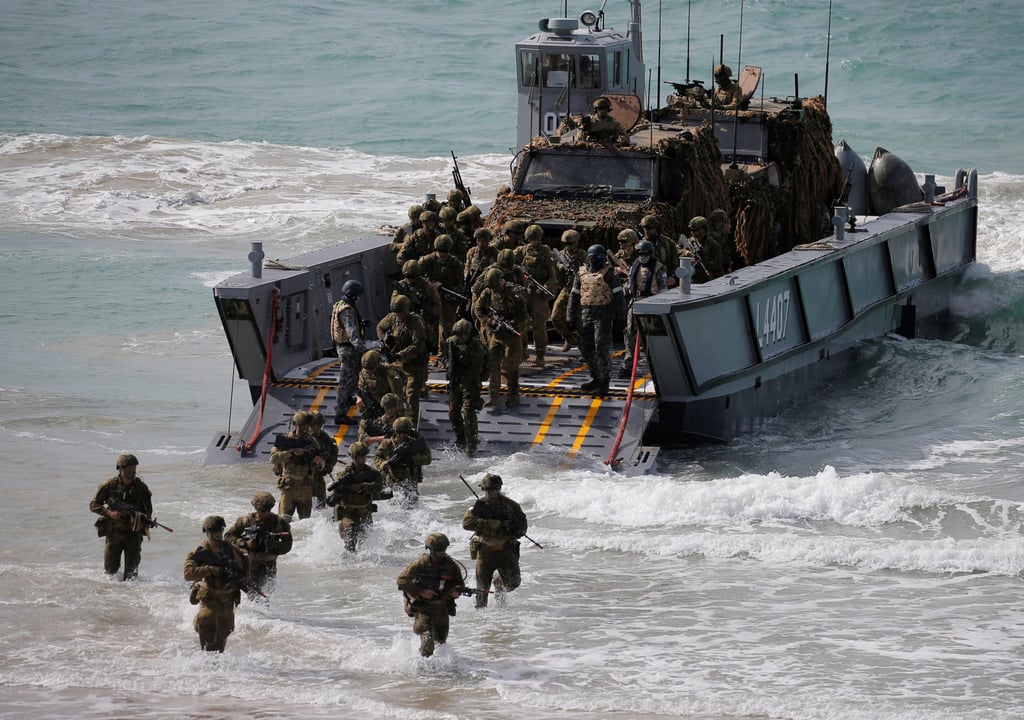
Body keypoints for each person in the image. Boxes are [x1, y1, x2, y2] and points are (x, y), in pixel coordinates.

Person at [183, 515, 250, 653]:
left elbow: (244, 569)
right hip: (209, 597)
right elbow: (188, 573)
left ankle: (218, 670)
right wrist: (211, 570)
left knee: (223, 635)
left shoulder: (232, 551)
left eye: (220, 530)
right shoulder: (201, 552)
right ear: (206, 531)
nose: (218, 534)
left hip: (227, 598)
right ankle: (205, 664)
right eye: (214, 531)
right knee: (206, 625)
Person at [461, 473, 528, 608]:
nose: (490, 493)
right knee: (482, 592)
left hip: (506, 550)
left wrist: (510, 527)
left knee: (513, 583)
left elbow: (522, 527)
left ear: (499, 488)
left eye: (493, 489)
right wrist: (488, 523)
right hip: (485, 551)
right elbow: (466, 523)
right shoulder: (479, 506)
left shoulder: (511, 506)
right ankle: (483, 623)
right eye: (487, 490)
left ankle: (498, 582)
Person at [567, 244, 626, 395]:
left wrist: (621, 316)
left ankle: (604, 381)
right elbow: (574, 296)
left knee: (601, 346)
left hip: (603, 313)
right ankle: (595, 377)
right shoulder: (581, 274)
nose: (599, 260)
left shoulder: (609, 274)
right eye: (596, 258)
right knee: (587, 348)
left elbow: (619, 296)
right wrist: (570, 315)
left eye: (602, 257)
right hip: (586, 312)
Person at [396, 533, 467, 657]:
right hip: (422, 607)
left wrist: (457, 592)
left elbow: (459, 583)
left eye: (442, 550)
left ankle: (437, 673)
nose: (440, 554)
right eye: (437, 551)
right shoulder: (420, 564)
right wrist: (421, 591)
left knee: (441, 643)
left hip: (442, 607)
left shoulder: (451, 565)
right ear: (430, 549)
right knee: (428, 641)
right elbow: (401, 580)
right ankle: (422, 672)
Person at [89, 453, 153, 581]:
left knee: (132, 576)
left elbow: (148, 509)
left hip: (133, 534)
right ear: (120, 469)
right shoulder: (110, 485)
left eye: (134, 468)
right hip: (114, 533)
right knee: (110, 572)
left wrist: (142, 520)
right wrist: (109, 514)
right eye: (128, 468)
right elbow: (93, 505)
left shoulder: (141, 487)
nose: (132, 471)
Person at [473, 268, 528, 408]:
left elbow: (524, 315)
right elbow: (478, 309)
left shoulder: (514, 293)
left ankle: (514, 393)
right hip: (496, 334)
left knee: (511, 365)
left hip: (512, 335)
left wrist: (515, 324)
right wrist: (489, 321)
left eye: (496, 286)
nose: (494, 289)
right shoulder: (488, 292)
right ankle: (493, 395)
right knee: (493, 364)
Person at [224, 491, 292, 593]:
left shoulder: (278, 522)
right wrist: (244, 543)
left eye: (267, 510)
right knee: (254, 595)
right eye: (262, 511)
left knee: (268, 595)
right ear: (256, 508)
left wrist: (274, 546)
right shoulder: (246, 521)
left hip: (270, 565)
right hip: (251, 564)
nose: (265, 513)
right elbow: (228, 536)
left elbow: (288, 544)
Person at [376, 294, 429, 422]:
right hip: (397, 364)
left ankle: (410, 423)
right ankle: (397, 419)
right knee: (395, 393)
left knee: (411, 396)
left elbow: (418, 344)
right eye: (396, 312)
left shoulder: (416, 322)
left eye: (400, 312)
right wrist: (384, 340)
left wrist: (401, 354)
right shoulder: (392, 318)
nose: (398, 315)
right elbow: (380, 327)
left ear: (406, 309)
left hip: (414, 365)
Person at [325, 442, 386, 552]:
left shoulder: (372, 473)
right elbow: (336, 491)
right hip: (348, 511)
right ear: (354, 457)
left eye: (364, 456)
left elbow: (379, 486)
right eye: (360, 457)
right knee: (350, 539)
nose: (363, 459)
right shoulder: (344, 474)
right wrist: (343, 490)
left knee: (364, 542)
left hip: (364, 511)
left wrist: (362, 487)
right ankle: (348, 563)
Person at [620, 239, 667, 378]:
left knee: (651, 338)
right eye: (640, 253)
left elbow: (663, 289)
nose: (643, 256)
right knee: (629, 335)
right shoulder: (634, 267)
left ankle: (655, 368)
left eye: (646, 253)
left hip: (651, 306)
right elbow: (629, 284)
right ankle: (627, 365)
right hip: (635, 304)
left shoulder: (659, 269)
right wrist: (627, 290)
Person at [514, 224, 559, 369]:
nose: (533, 242)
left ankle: (540, 356)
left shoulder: (546, 252)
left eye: (535, 239)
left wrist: (545, 287)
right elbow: (509, 258)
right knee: (521, 323)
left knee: (539, 325)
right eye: (531, 239)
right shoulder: (523, 250)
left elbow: (553, 276)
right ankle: (524, 351)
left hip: (538, 294)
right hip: (525, 292)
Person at [419, 234, 466, 363]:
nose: (442, 254)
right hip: (428, 298)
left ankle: (443, 355)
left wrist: (451, 292)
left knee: (445, 328)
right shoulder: (426, 261)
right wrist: (431, 286)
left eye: (445, 251)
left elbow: (460, 284)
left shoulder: (455, 264)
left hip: (446, 299)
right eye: (440, 251)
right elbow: (417, 278)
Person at [270, 410, 324, 520]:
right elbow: (273, 458)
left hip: (305, 488)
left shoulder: (312, 442)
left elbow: (322, 464)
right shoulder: (286, 439)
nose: (305, 429)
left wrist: (319, 461)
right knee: (284, 521)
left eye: (307, 426)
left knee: (305, 523)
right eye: (302, 426)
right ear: (296, 425)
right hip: (289, 487)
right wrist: (289, 453)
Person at [445, 318, 486, 455]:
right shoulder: (451, 342)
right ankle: (460, 437)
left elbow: (477, 369)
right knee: (453, 412)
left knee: (468, 412)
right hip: (456, 380)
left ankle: (472, 443)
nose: (460, 338)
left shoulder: (476, 347)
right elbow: (446, 358)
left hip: (470, 381)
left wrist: (464, 381)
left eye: (462, 335)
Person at [331, 279, 367, 424]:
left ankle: (348, 399)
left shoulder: (338, 305)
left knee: (352, 379)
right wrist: (365, 351)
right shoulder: (347, 311)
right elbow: (352, 335)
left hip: (344, 348)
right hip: (348, 350)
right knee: (346, 382)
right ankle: (340, 414)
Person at [374, 416, 431, 505]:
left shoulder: (414, 443)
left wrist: (412, 459)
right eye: (399, 433)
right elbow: (377, 457)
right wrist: (384, 464)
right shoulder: (388, 443)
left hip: (411, 482)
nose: (402, 435)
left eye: (405, 433)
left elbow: (428, 458)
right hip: (393, 482)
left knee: (412, 509)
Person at [551, 229, 586, 351]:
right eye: (566, 243)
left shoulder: (582, 255)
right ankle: (568, 337)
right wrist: (559, 267)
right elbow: (554, 273)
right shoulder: (560, 255)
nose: (568, 246)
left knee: (580, 320)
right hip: (566, 289)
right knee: (555, 316)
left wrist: (578, 270)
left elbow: (588, 270)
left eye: (570, 244)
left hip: (580, 291)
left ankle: (584, 349)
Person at [356, 349, 405, 420]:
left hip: (389, 407)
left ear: (377, 365)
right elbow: (360, 389)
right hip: (371, 405)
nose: (369, 372)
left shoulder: (389, 372)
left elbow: (398, 395)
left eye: (371, 369)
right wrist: (359, 399)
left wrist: (396, 413)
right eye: (367, 369)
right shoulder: (364, 372)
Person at [639, 214, 680, 288]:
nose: (647, 231)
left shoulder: (667, 243)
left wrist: (672, 276)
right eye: (644, 228)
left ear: (656, 228)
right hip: (647, 280)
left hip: (665, 279)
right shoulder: (640, 245)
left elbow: (674, 262)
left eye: (649, 228)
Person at [309, 411, 339, 505]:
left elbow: (334, 452)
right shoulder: (303, 435)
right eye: (314, 425)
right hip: (304, 477)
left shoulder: (324, 437)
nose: (317, 427)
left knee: (321, 502)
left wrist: (328, 466)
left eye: (319, 425)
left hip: (318, 476)